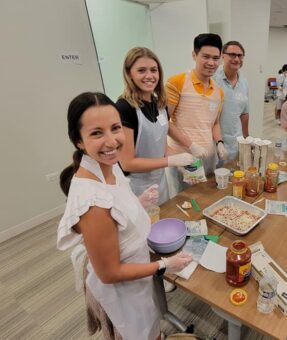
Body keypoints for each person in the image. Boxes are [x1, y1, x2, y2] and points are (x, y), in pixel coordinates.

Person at [57, 92, 192, 340]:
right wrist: (164, 265)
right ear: (79, 140)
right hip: (121, 289)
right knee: (139, 333)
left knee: (151, 325)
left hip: (136, 270)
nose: (112, 141)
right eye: (97, 133)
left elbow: (115, 213)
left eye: (115, 128)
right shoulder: (92, 202)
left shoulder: (107, 165)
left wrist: (137, 202)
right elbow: (110, 272)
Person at [116, 47, 193, 205]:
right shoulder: (125, 108)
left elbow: (161, 146)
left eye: (153, 70)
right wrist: (170, 162)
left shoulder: (159, 103)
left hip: (159, 182)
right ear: (129, 74)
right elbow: (127, 162)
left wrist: (180, 163)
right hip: (136, 187)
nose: (149, 76)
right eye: (142, 70)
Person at [165, 33, 226, 193]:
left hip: (208, 157)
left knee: (206, 198)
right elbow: (164, 123)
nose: (211, 63)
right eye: (206, 56)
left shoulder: (219, 91)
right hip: (183, 158)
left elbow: (215, 123)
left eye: (216, 58)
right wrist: (190, 145)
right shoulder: (176, 82)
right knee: (184, 203)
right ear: (194, 55)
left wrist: (219, 142)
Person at [213, 41, 249, 161]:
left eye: (240, 55)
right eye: (232, 55)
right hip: (216, 143)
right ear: (223, 56)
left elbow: (244, 112)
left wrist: (246, 138)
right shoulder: (213, 79)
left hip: (236, 142)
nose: (237, 59)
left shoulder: (244, 82)